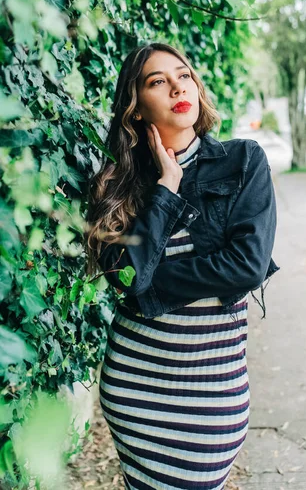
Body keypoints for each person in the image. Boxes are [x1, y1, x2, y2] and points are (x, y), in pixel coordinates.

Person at [85, 42, 279, 490]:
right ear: (136, 109)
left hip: (213, 389)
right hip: (135, 384)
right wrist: (166, 191)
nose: (177, 86)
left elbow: (247, 266)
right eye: (157, 81)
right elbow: (129, 276)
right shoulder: (115, 186)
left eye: (183, 75)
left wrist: (148, 287)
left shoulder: (243, 162)